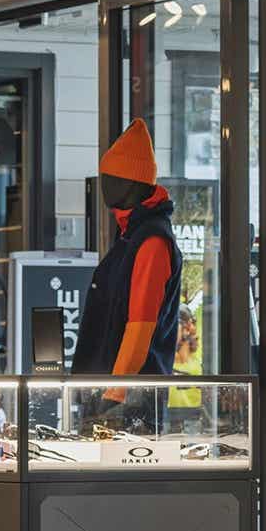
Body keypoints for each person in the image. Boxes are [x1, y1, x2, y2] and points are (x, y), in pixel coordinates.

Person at [72, 118, 182, 381]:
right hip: (112, 386)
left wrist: (116, 392)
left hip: (130, 394)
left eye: (112, 178)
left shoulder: (151, 241)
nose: (104, 185)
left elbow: (140, 328)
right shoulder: (131, 236)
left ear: (132, 183)